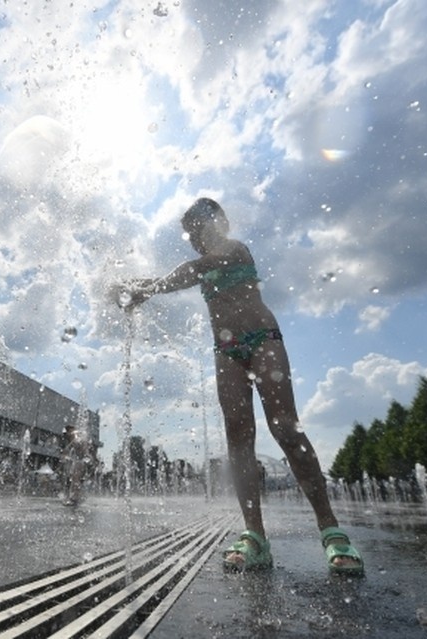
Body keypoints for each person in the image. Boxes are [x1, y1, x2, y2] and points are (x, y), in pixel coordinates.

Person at [118, 197, 364, 574]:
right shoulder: (202, 260)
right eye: (191, 233)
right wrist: (135, 289)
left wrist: (144, 287)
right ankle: (256, 536)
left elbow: (191, 270)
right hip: (227, 349)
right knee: (237, 433)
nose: (197, 237)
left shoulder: (236, 249)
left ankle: (331, 530)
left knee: (284, 426)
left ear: (221, 223)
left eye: (201, 227)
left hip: (263, 338)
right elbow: (191, 271)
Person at [61, 424, 90, 507]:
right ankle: (76, 497)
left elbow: (82, 447)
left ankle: (75, 498)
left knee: (75, 479)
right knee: (75, 479)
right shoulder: (74, 437)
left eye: (68, 431)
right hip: (79, 461)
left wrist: (67, 451)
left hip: (81, 461)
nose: (68, 434)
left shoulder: (76, 436)